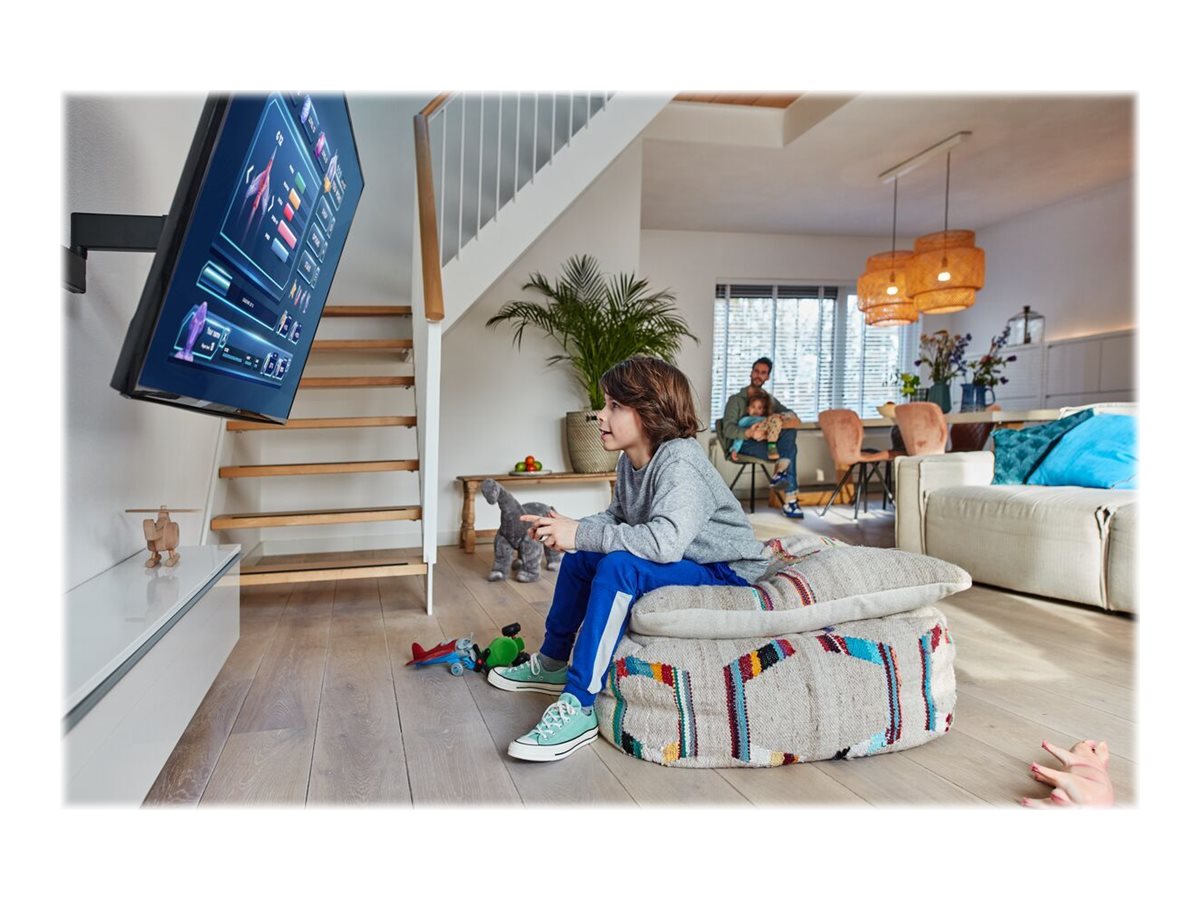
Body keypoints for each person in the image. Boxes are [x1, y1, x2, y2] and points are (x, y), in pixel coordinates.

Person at [487, 356, 770, 762]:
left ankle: (579, 704)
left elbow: (664, 543)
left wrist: (580, 534)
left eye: (614, 406)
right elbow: (618, 519)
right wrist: (569, 528)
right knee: (583, 557)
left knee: (617, 567)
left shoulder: (680, 461)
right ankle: (551, 662)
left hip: (727, 569)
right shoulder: (629, 462)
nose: (600, 415)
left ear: (651, 413)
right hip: (689, 557)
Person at [722, 357, 805, 518]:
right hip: (742, 445)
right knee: (791, 450)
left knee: (789, 432)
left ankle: (781, 475)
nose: (758, 375)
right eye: (756, 371)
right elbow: (728, 429)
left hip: (766, 443)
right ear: (751, 372)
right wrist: (750, 433)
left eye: (763, 373)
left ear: (767, 377)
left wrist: (780, 417)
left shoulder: (769, 400)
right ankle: (790, 501)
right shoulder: (736, 400)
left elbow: (791, 413)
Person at [729, 388, 784, 461]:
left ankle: (772, 444)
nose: (756, 410)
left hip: (766, 433)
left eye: (759, 408)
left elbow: (771, 424)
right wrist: (735, 449)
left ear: (763, 411)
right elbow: (740, 437)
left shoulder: (764, 418)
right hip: (755, 435)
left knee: (776, 421)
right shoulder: (744, 421)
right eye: (753, 407)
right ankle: (772, 445)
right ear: (748, 409)